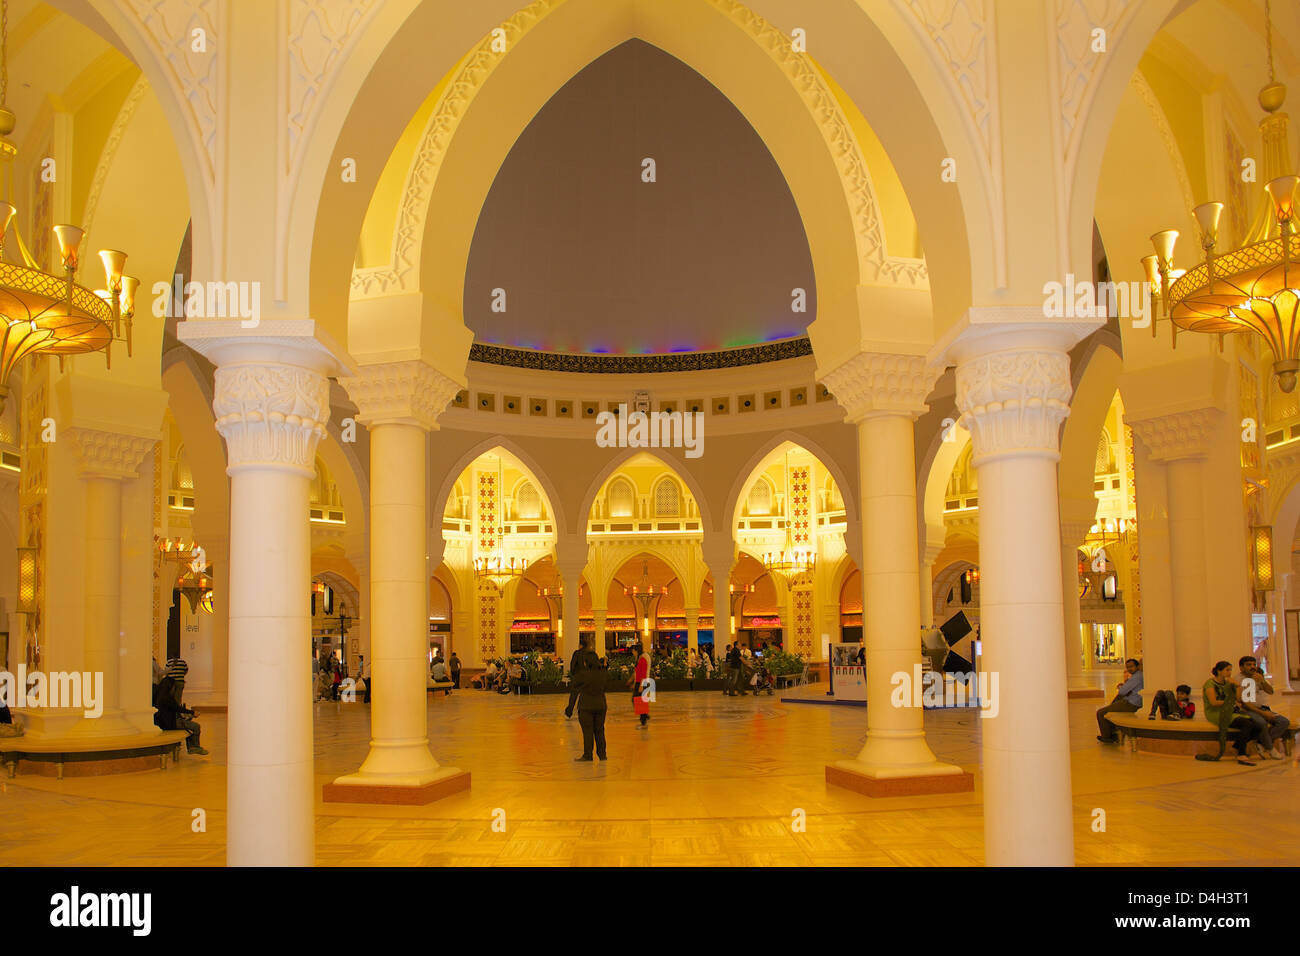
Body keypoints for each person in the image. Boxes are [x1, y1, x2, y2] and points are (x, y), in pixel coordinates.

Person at [1199, 660, 1266, 765]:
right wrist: (1231, 702)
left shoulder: (1228, 683)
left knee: (1258, 725)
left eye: (1230, 670)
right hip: (1216, 712)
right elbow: (1214, 702)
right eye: (1227, 670)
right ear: (1219, 671)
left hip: (1229, 710)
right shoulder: (1210, 683)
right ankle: (1241, 754)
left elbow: (1238, 699)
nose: (1229, 673)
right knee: (1246, 724)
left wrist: (1238, 686)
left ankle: (1237, 746)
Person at [1238, 656, 1288, 760]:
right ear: (1241, 668)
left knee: (1283, 721)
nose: (1252, 667)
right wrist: (1263, 714)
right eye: (1249, 665)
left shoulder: (1257, 677)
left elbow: (1270, 691)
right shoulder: (1239, 680)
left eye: (1254, 664)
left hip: (1262, 708)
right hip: (1248, 710)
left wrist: (1263, 681)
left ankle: (1261, 742)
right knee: (1262, 723)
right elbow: (1245, 703)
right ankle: (1270, 749)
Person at [154, 660, 208, 756]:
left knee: (188, 723)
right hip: (169, 723)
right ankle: (194, 747)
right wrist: (192, 712)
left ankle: (192, 747)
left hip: (164, 721)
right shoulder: (167, 698)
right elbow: (177, 708)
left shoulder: (160, 696)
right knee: (195, 726)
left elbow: (176, 709)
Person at [571, 648, 607, 761]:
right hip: (601, 705)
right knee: (600, 730)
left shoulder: (583, 674)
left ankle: (588, 755)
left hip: (586, 706)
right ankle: (602, 755)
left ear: (586, 662)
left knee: (588, 731)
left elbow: (574, 684)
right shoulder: (603, 674)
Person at [1096, 658, 1143, 743]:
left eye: (1131, 666)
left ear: (1138, 666)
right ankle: (1114, 734)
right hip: (1130, 701)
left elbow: (1122, 691)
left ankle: (1107, 737)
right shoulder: (1137, 676)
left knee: (1101, 713)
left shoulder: (1137, 676)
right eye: (1128, 667)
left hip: (1131, 704)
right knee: (1113, 705)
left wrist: (1123, 686)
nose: (1129, 669)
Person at [633, 644, 651, 726]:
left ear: (636, 651)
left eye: (633, 651)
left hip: (641, 683)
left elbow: (643, 673)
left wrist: (641, 685)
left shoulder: (643, 659)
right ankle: (644, 716)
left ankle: (644, 717)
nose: (633, 653)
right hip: (639, 682)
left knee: (639, 700)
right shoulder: (640, 658)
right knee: (639, 700)